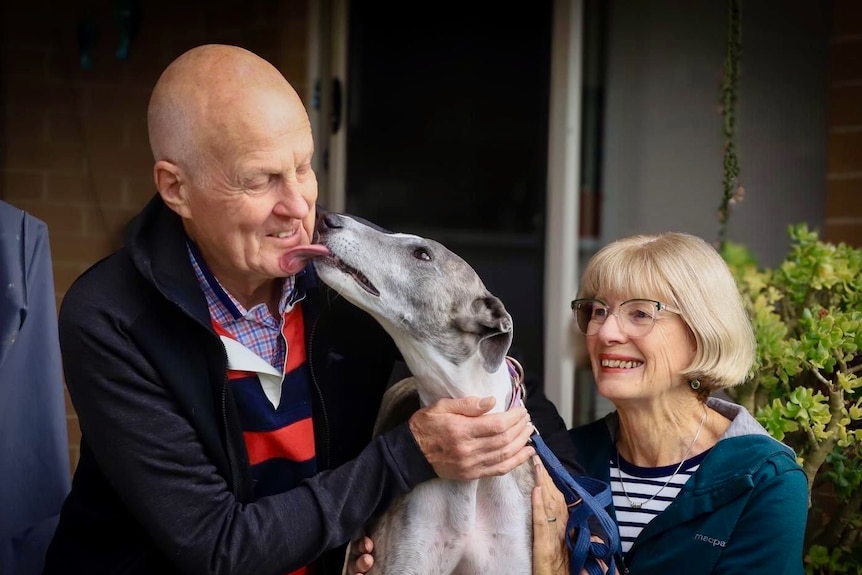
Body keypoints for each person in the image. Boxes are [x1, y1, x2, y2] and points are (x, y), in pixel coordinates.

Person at [42, 44, 579, 575]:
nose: (300, 207)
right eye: (260, 180)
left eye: (303, 167)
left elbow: (508, 390)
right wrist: (402, 460)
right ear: (175, 188)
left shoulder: (343, 272)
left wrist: (575, 515)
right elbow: (215, 547)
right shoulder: (110, 318)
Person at [532, 231, 809, 574]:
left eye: (640, 313)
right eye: (598, 310)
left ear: (700, 331)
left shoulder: (764, 480)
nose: (605, 333)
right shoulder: (566, 459)